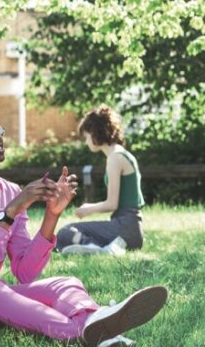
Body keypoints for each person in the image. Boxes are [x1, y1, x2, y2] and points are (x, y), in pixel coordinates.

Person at [0, 102, 167, 347]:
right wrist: (9, 213)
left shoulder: (9, 192)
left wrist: (52, 215)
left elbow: (25, 272)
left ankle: (98, 325)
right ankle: (79, 332)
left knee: (65, 283)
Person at [56, 106, 145, 256]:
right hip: (130, 229)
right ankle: (97, 247)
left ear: (96, 132)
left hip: (125, 228)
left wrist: (87, 208)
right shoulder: (120, 154)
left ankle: (101, 249)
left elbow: (112, 204)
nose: (86, 142)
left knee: (66, 232)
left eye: (86, 136)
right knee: (61, 241)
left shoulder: (115, 158)